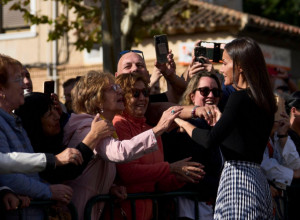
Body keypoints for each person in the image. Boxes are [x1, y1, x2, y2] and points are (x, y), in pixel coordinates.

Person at [175, 37, 277, 219]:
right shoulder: (266, 102)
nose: (221, 70)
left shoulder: (238, 98)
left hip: (238, 183)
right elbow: (242, 143)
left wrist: (182, 123)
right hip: (258, 183)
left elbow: (208, 140)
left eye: (225, 63)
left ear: (240, 66)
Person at [63, 70, 182, 220]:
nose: (119, 91)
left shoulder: (103, 126)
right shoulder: (87, 126)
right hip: (76, 210)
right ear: (97, 98)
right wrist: (159, 128)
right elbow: (119, 153)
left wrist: (111, 188)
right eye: (112, 88)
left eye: (145, 92)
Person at [111, 74, 204, 220]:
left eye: (145, 93)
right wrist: (171, 168)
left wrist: (181, 177)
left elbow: (158, 184)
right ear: (123, 97)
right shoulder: (119, 123)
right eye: (136, 93)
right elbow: (128, 172)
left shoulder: (151, 130)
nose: (142, 98)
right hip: (124, 213)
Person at [0, 54, 73, 219]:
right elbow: (6, 173)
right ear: (1, 89)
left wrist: (47, 194)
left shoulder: (15, 123)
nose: (24, 85)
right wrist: (48, 192)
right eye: (17, 79)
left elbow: (28, 174)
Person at [15, 92, 115, 184]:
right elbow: (67, 171)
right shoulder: (28, 151)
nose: (57, 116)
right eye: (49, 114)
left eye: (54, 109)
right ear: (34, 122)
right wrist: (93, 135)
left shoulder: (52, 139)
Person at [162, 72, 223, 220]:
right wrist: (226, 185)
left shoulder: (221, 127)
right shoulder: (181, 129)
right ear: (192, 96)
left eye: (215, 92)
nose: (210, 96)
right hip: (189, 209)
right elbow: (195, 173)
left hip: (214, 207)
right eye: (204, 91)